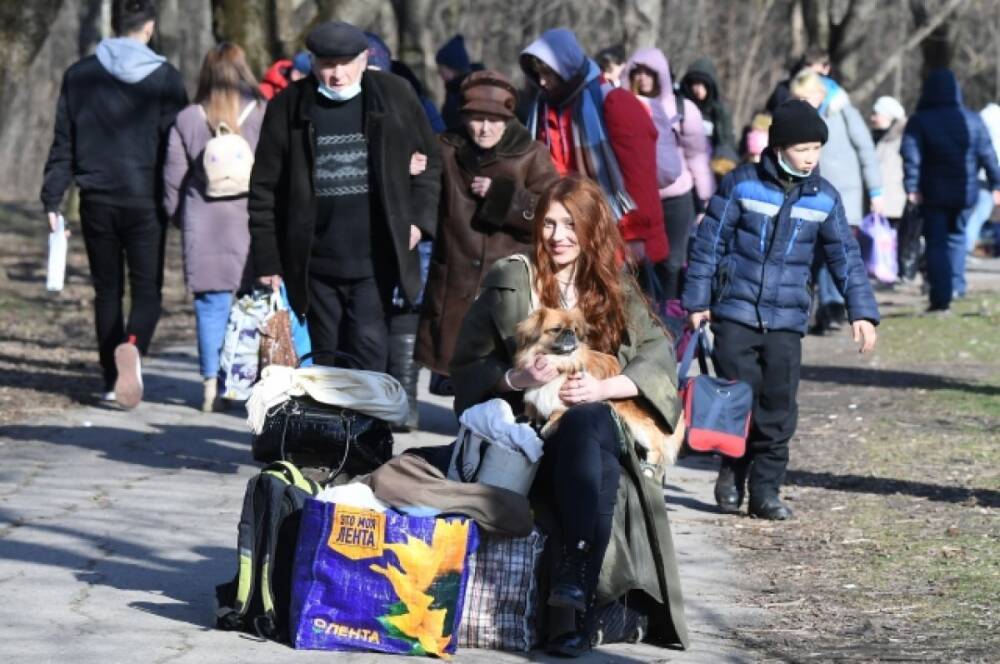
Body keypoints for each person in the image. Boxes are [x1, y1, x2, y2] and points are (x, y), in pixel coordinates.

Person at [451, 176, 687, 656]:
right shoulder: (512, 280)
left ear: (591, 229)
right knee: (591, 452)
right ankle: (571, 611)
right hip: (528, 435)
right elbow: (467, 367)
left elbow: (659, 354)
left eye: (570, 225)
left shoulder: (613, 286)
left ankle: (571, 594)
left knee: (590, 421)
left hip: (593, 430)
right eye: (549, 224)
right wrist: (519, 379)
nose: (557, 235)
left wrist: (602, 387)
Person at [683, 100, 879, 520]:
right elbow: (709, 244)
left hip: (788, 320)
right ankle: (732, 471)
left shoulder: (824, 197)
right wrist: (697, 301)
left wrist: (861, 311)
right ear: (778, 147)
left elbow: (845, 255)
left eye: (817, 149)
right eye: (803, 148)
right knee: (739, 398)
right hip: (735, 313)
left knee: (778, 407)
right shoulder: (741, 184)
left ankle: (766, 491)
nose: (811, 158)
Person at [248, 20, 441, 372]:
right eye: (327, 65)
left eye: (346, 64)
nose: (337, 75)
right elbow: (264, 190)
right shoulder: (287, 107)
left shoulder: (395, 94)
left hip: (375, 256)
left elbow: (430, 165)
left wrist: (418, 222)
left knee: (368, 349)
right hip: (314, 260)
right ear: (312, 62)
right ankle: (335, 427)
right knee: (327, 355)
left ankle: (370, 426)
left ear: (364, 60)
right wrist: (268, 260)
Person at [40, 0, 188, 409]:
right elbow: (175, 149)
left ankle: (110, 377)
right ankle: (134, 346)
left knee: (106, 291)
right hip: (146, 200)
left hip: (96, 198)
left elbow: (63, 142)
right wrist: (179, 201)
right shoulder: (166, 78)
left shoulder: (79, 76)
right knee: (147, 290)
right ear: (150, 27)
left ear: (117, 24)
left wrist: (53, 197)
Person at [415, 70, 558, 388]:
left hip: (507, 282)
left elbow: (552, 212)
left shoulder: (531, 154)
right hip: (455, 279)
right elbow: (423, 192)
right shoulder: (446, 148)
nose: (484, 128)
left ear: (508, 119)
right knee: (458, 369)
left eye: (494, 120)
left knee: (503, 368)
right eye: (476, 118)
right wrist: (411, 169)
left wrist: (502, 196)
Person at [519, 29, 669, 297]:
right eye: (537, 73)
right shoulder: (542, 109)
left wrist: (635, 237)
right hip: (566, 233)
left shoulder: (615, 103)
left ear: (565, 68)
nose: (541, 81)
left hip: (614, 235)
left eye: (548, 73)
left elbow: (639, 179)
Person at [163, 43, 266, 412]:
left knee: (210, 307)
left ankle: (210, 384)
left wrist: (181, 218)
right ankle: (241, 383)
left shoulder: (188, 118)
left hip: (202, 221)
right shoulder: (260, 115)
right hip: (249, 223)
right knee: (251, 307)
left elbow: (173, 181)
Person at [791, 69, 882, 332]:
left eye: (805, 98)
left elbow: (866, 150)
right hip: (811, 196)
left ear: (819, 93)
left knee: (837, 254)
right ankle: (822, 311)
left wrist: (876, 191)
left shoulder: (845, 113)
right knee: (815, 255)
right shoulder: (803, 116)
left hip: (845, 196)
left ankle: (832, 309)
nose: (801, 104)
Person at [902, 70, 1000, 311]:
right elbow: (988, 154)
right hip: (966, 192)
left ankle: (941, 296)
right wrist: (996, 182)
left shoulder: (920, 121)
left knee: (936, 243)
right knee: (957, 238)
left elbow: (911, 155)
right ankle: (957, 287)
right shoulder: (973, 120)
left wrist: (912, 186)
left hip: (932, 192)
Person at [622, 47, 714, 301]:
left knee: (672, 263)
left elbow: (697, 154)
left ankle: (670, 316)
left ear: (660, 74)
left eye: (648, 72)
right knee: (637, 263)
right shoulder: (620, 107)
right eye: (636, 72)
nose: (642, 78)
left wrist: (705, 198)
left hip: (676, 197)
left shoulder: (684, 109)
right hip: (635, 199)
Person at [869, 95, 915, 280]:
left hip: (896, 195)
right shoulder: (880, 136)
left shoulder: (903, 135)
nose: (872, 117)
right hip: (884, 196)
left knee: (898, 237)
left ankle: (898, 270)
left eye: (876, 113)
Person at [679, 56, 740, 178]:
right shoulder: (681, 106)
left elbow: (727, 142)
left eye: (703, 85)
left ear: (710, 86)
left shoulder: (719, 112)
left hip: (710, 167)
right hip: (683, 164)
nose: (698, 89)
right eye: (695, 84)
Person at [964, 102, 1000, 255]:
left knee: (974, 214)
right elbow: (991, 158)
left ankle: (965, 247)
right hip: (988, 178)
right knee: (980, 213)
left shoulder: (977, 123)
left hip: (976, 176)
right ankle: (966, 247)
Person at [436, 34, 473, 130]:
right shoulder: (452, 90)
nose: (439, 72)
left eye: (441, 68)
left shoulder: (467, 92)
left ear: (453, 68)